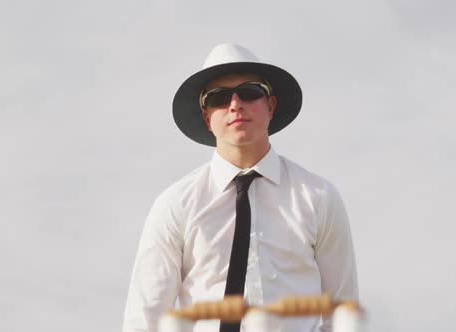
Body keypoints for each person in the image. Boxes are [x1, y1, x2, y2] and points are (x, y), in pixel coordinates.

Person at [122, 43, 358, 332]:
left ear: (270, 105)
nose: (235, 104)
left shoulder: (317, 198)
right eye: (219, 97)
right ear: (207, 117)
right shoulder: (176, 205)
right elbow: (146, 318)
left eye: (249, 92)